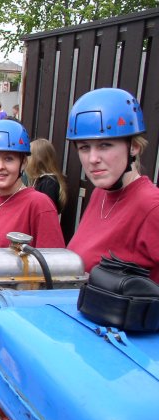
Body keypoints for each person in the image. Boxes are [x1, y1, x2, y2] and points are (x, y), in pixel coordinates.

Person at [66, 88, 159, 282]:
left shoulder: (152, 207)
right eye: (84, 147)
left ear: (134, 146)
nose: (92, 159)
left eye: (105, 145)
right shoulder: (101, 193)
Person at [0, 120, 65, 248]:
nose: (0, 166)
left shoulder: (39, 204)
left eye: (9, 159)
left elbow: (53, 263)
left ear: (24, 163)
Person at [25, 138, 67, 213]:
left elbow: (46, 212)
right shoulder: (40, 180)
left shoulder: (49, 183)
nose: (25, 160)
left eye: (28, 156)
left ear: (38, 160)